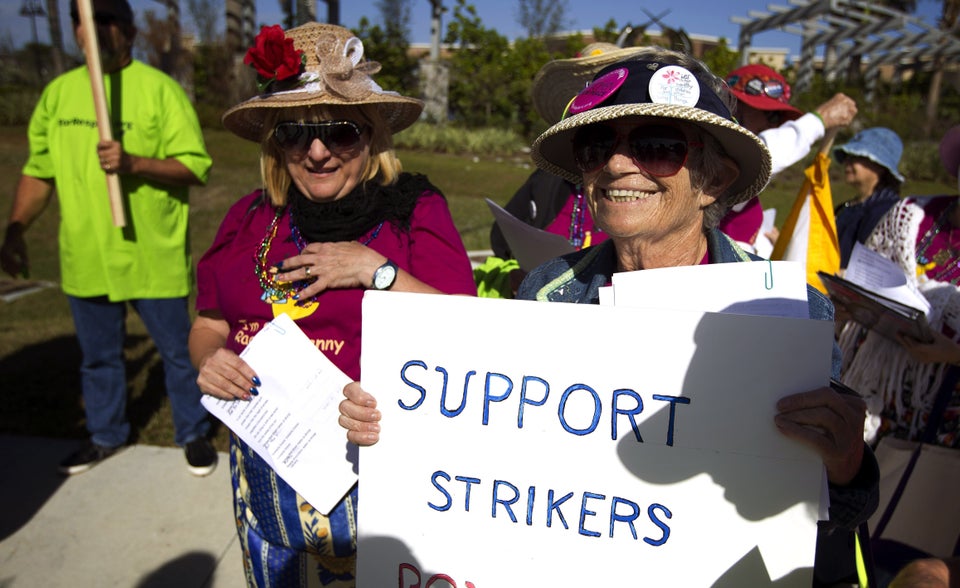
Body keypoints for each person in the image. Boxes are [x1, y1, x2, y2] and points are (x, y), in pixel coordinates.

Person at [341, 48, 880, 585]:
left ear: (713, 181)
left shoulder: (788, 316)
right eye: (598, 146)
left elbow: (834, 518)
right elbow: (502, 452)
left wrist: (846, 463)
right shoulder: (549, 291)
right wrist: (399, 422)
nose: (619, 165)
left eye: (657, 146)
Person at [188, 22, 477, 586]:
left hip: (381, 471)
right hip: (268, 472)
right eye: (296, 134)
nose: (317, 153)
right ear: (276, 142)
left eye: (340, 132)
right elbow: (209, 322)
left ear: (370, 137)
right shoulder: (250, 217)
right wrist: (209, 361)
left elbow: (465, 331)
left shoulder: (413, 211)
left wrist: (376, 271)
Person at [0, 0, 216, 476]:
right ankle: (105, 434)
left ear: (130, 30)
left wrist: (134, 163)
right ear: (75, 31)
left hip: (150, 257)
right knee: (98, 358)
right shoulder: (58, 94)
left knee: (179, 354)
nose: (96, 30)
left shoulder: (159, 91)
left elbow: (195, 166)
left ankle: (193, 433)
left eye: (107, 20)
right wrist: (16, 229)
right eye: (85, 21)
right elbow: (39, 172)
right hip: (86, 256)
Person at [836, 126, 960, 587]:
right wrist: (853, 304)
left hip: (951, 438)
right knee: (858, 543)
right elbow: (870, 275)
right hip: (885, 416)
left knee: (920, 560)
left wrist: (953, 355)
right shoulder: (914, 215)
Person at [480, 43, 648, 298]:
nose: (615, 163)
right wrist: (523, 278)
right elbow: (503, 244)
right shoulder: (546, 181)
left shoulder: (647, 186)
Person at [719, 63, 858, 256]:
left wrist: (763, 242)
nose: (773, 125)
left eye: (778, 119)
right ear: (735, 110)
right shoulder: (719, 161)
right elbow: (762, 155)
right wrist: (820, 120)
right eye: (771, 115)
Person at [833, 127, 905, 267]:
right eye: (848, 157)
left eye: (857, 157)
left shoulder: (888, 211)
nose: (848, 162)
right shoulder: (846, 207)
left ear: (879, 166)